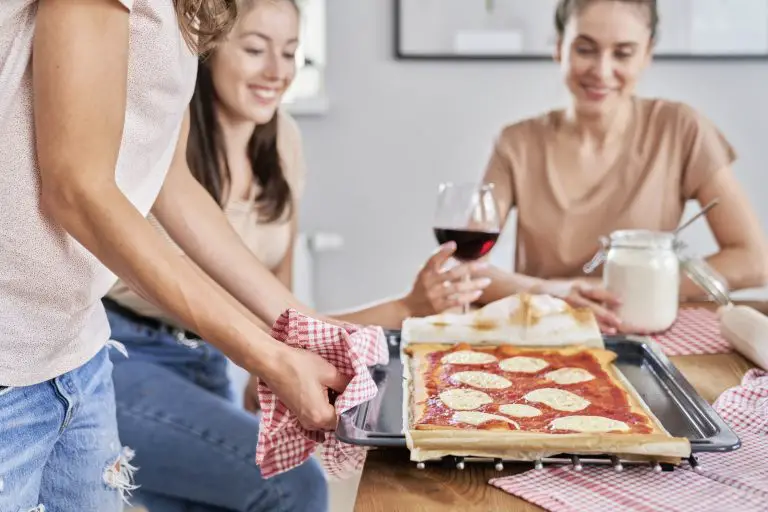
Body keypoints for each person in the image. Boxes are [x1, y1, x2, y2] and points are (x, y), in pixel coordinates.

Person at [101, 0, 490, 510]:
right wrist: (403, 309)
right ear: (209, 47)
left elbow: (282, 314)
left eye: (290, 53)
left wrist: (279, 364)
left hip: (211, 361)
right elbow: (258, 326)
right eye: (256, 49)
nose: (276, 71)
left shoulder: (283, 143)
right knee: (293, 483)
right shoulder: (167, 138)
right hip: (126, 354)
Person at [0, 1, 388, 511]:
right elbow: (78, 191)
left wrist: (305, 326)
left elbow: (170, 183)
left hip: (74, 348)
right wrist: (267, 355)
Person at [477, 0, 768, 332]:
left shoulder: (681, 128)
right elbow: (466, 269)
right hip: (545, 334)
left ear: (647, 54)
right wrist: (554, 291)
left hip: (646, 338)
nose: (601, 71)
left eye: (623, 53)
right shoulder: (515, 143)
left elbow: (752, 261)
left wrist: (640, 290)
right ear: (559, 48)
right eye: (585, 49)